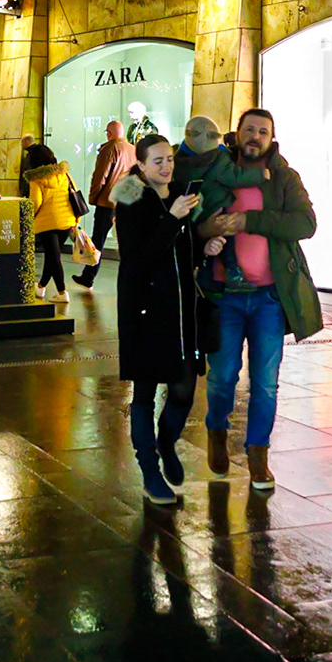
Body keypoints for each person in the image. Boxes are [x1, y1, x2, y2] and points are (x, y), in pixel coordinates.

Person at [197, 109, 321, 490]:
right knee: (221, 378)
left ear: (272, 137)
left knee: (266, 383)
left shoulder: (283, 177)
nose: (255, 136)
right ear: (238, 133)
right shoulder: (217, 172)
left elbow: (305, 223)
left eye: (263, 131)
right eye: (249, 129)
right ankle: (217, 432)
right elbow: (196, 223)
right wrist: (210, 230)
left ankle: (257, 456)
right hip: (225, 297)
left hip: (269, 297)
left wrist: (249, 221)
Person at [111, 134, 214, 504]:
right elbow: (140, 258)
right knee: (144, 391)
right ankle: (150, 472)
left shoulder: (181, 197)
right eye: (157, 161)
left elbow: (181, 254)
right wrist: (172, 220)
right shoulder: (131, 201)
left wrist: (205, 245)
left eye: (169, 159)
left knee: (185, 387)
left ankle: (166, 441)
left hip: (182, 310)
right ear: (140, 165)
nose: (166, 166)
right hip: (145, 309)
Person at [74, 120, 134, 290]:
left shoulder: (109, 149)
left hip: (107, 202)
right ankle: (129, 279)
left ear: (109, 133)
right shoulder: (133, 150)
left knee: (98, 240)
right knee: (125, 242)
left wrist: (93, 197)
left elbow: (100, 176)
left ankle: (89, 276)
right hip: (125, 202)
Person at [22, 144, 79, 304]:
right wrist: (76, 220)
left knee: (54, 257)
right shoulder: (64, 174)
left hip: (47, 223)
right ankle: (40, 287)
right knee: (52, 257)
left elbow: (35, 202)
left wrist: (28, 218)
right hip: (66, 221)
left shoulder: (36, 178)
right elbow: (74, 194)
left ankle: (62, 292)